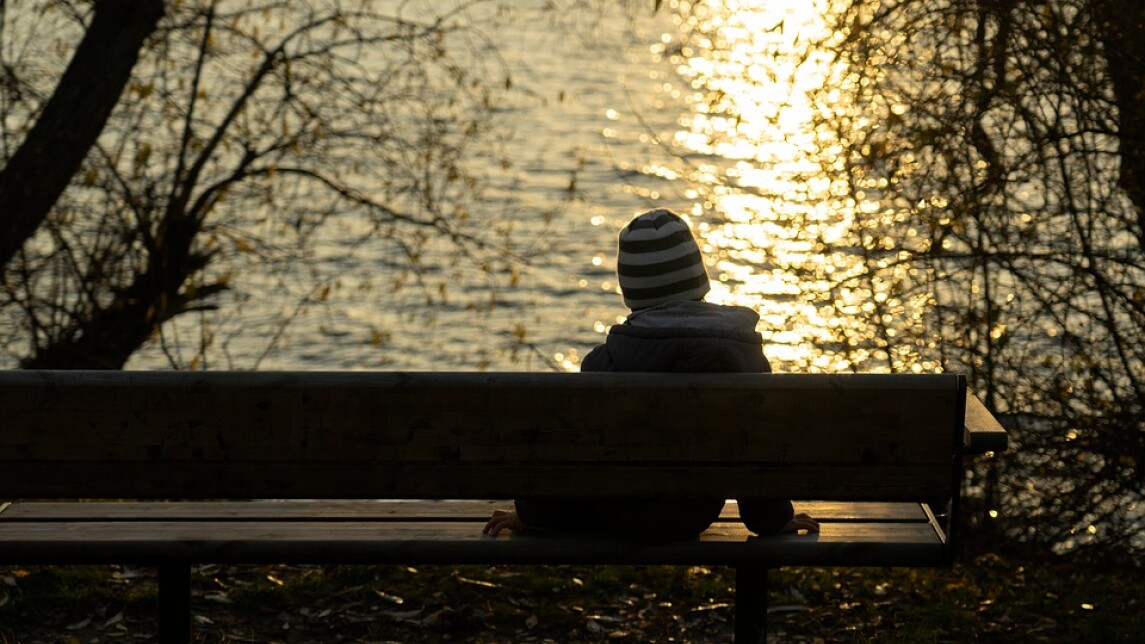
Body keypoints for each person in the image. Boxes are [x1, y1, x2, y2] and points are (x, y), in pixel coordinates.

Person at [484, 208, 818, 539]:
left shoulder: (606, 363)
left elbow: (571, 448)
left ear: (631, 290)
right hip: (692, 516)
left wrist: (529, 513)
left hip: (614, 514)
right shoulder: (744, 353)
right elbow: (755, 445)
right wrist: (772, 521)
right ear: (699, 277)